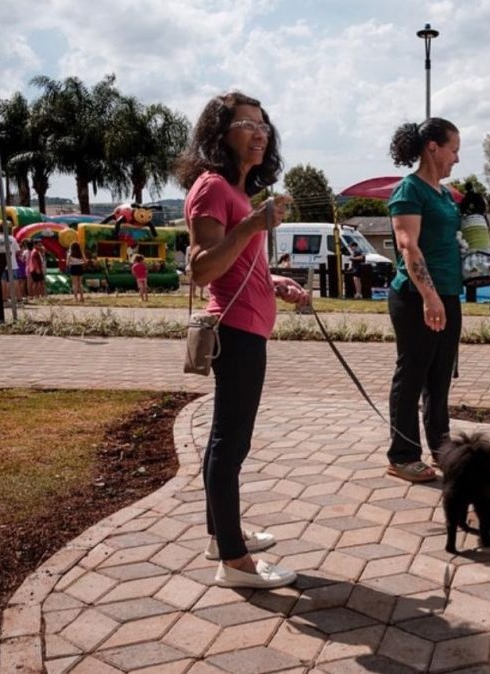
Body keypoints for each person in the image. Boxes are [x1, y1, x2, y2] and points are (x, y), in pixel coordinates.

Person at [176, 90, 309, 589]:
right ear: (220, 134)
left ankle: (221, 536)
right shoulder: (212, 188)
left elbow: (236, 263)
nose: (259, 133)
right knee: (229, 444)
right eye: (246, 124)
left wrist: (273, 281)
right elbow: (203, 269)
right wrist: (256, 222)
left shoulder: (235, 191)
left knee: (229, 442)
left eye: (263, 125)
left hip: (250, 325)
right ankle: (233, 562)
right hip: (235, 332)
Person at [386, 118, 472, 482]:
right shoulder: (410, 190)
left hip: (447, 294)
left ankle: (442, 449)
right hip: (416, 297)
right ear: (433, 148)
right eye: (453, 149)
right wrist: (430, 297)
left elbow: (447, 243)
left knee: (439, 378)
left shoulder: (443, 194)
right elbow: (409, 245)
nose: (457, 158)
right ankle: (402, 455)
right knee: (413, 375)